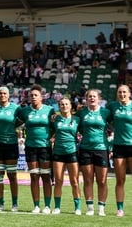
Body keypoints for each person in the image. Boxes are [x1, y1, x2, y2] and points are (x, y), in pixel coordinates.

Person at [18, 85, 55, 214]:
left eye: (36, 95)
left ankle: (47, 206)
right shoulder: (25, 111)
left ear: (41, 97)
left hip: (45, 147)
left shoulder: (50, 110)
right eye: (31, 95)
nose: (33, 97)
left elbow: (56, 126)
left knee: (46, 176)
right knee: (34, 176)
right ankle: (36, 205)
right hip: (30, 147)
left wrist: (53, 137)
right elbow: (15, 124)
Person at [77, 88, 110, 216]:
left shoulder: (106, 112)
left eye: (94, 96)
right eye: (89, 96)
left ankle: (101, 208)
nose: (92, 98)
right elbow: (78, 127)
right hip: (85, 149)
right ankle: (90, 208)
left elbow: (114, 123)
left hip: (102, 149)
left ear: (99, 99)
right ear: (86, 99)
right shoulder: (81, 113)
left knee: (102, 180)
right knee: (88, 179)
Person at [0, 86, 21, 212]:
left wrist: (13, 126)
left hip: (11, 143)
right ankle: (0, 204)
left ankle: (15, 204)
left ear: (9, 95)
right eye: (0, 93)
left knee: (12, 175)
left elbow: (22, 119)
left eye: (4, 93)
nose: (2, 95)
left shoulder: (16, 108)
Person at [51, 97, 81, 215]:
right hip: (58, 153)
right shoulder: (55, 119)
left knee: (74, 181)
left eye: (66, 104)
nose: (64, 106)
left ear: (70, 106)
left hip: (72, 152)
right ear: (59, 107)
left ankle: (77, 207)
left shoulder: (77, 119)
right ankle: (57, 207)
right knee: (58, 181)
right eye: (62, 104)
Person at [108, 84, 132, 217]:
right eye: (120, 92)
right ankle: (120, 209)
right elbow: (102, 116)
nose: (122, 94)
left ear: (129, 93)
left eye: (124, 92)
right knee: (120, 179)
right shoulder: (113, 106)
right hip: (118, 146)